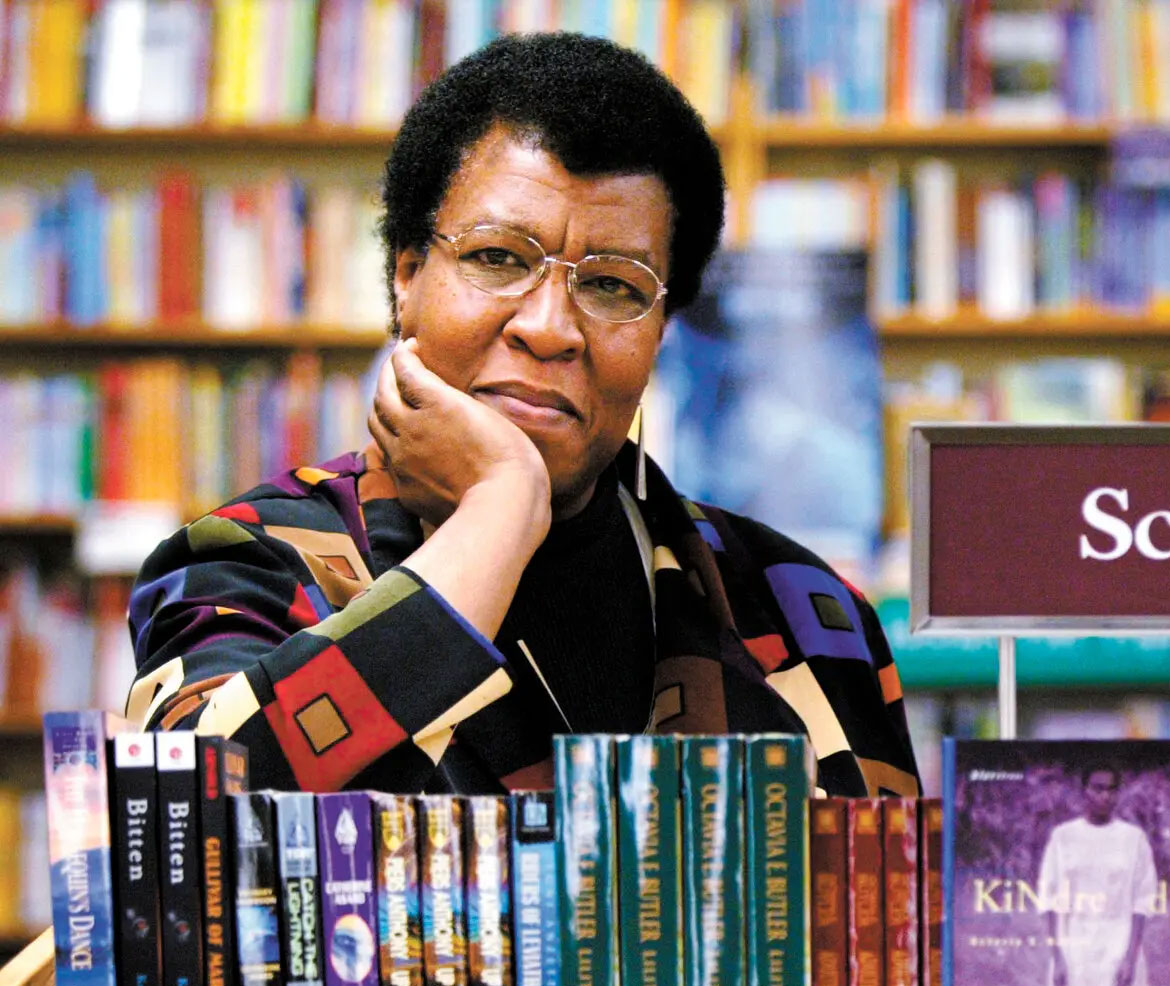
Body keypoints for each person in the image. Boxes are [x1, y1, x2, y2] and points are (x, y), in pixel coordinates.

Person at [123, 34, 918, 800]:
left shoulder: (806, 613)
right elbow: (180, 831)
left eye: (613, 285)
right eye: (497, 258)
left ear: (661, 332)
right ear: (407, 276)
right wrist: (500, 508)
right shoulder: (250, 567)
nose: (548, 326)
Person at [1009, 766, 1160, 986]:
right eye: (1097, 788)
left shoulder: (1133, 839)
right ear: (1084, 791)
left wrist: (1130, 956)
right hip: (1074, 937)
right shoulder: (1064, 837)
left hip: (1117, 938)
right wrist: (1058, 956)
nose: (1104, 796)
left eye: (1111, 789)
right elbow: (1048, 898)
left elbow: (1142, 899)